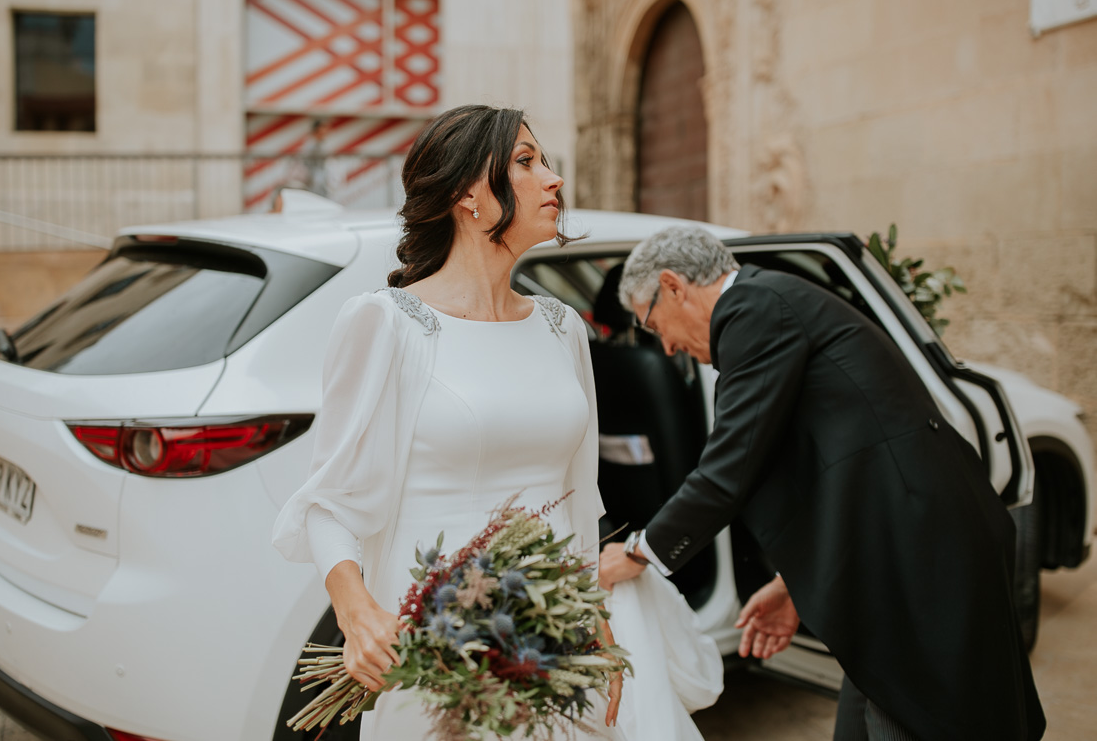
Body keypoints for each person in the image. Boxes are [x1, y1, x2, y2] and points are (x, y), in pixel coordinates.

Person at [271, 106, 721, 741]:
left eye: (547, 162)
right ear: (467, 195)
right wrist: (357, 613)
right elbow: (328, 502)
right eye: (527, 163)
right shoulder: (386, 322)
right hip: (435, 650)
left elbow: (577, 497)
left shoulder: (563, 327)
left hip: (554, 642)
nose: (554, 180)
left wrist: (596, 624)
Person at [599, 225, 1046, 741]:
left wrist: (638, 552)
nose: (668, 347)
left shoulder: (754, 308)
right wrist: (791, 584)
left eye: (653, 326)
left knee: (928, 718)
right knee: (880, 713)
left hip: (916, 549)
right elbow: (827, 460)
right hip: (896, 543)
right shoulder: (767, 305)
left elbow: (730, 468)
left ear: (674, 287)